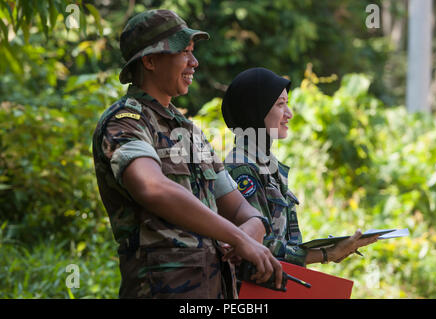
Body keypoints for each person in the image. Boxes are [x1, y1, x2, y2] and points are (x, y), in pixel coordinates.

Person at [92, 11, 282, 299]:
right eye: (184, 52)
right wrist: (236, 236)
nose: (194, 62)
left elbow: (242, 208)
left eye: (193, 53)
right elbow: (153, 188)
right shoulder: (125, 120)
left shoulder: (190, 132)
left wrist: (251, 230)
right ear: (150, 60)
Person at [221, 67, 379, 269]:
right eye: (280, 105)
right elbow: (259, 245)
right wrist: (327, 253)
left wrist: (330, 248)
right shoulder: (242, 169)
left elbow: (283, 243)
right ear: (255, 111)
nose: (289, 113)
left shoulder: (268, 166)